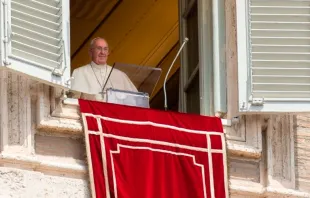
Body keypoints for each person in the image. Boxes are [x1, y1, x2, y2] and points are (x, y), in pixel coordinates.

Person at [70, 37, 137, 100]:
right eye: (99, 48)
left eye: (105, 49)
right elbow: (73, 99)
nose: (102, 52)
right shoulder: (79, 73)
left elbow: (136, 99)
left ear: (108, 53)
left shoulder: (120, 75)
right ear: (91, 52)